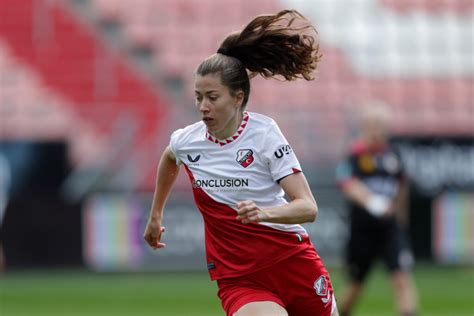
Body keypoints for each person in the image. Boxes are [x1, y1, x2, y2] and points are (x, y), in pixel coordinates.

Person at [143, 9, 338, 316]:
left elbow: (307, 207)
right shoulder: (186, 140)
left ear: (237, 97)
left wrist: (265, 212)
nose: (202, 107)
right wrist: (156, 215)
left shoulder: (265, 134)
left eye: (212, 97)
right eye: (197, 97)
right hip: (239, 277)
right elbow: (169, 158)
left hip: (292, 262)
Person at [335, 101, 418, 316]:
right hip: (363, 229)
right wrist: (374, 203)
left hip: (389, 228)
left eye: (382, 124)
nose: (378, 129)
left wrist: (400, 218)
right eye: (373, 124)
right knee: (355, 284)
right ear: (364, 126)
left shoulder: (394, 155)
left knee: (402, 277)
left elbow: (401, 187)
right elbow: (348, 184)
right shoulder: (355, 154)